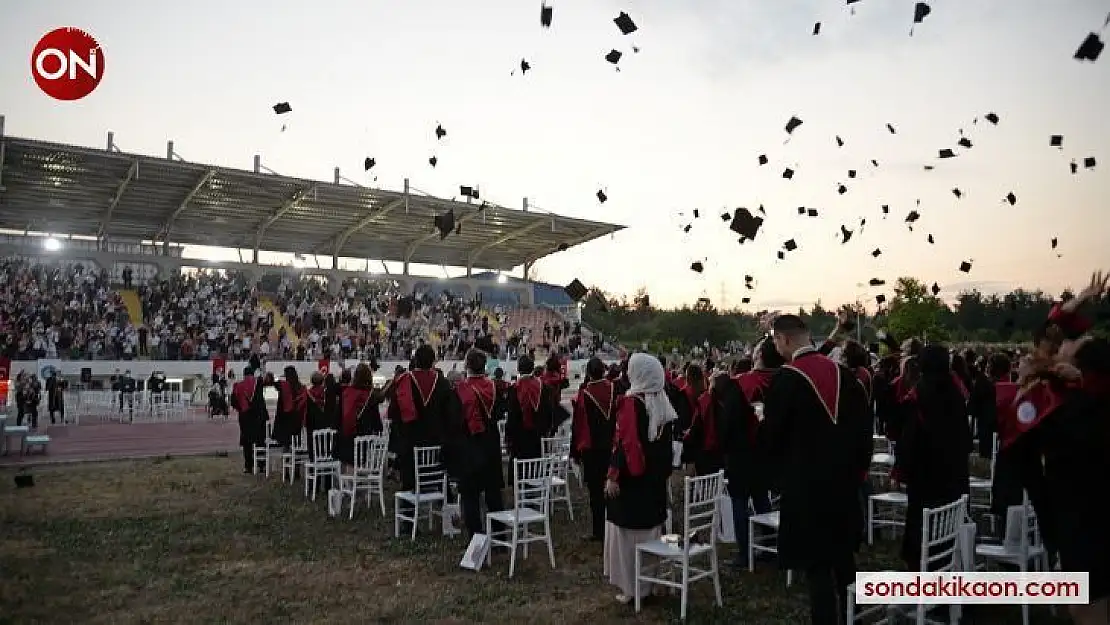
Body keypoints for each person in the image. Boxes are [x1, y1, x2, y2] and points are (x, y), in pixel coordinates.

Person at [761, 314, 873, 625]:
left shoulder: (786, 379)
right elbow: (865, 428)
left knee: (818, 570)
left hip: (806, 490)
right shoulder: (844, 375)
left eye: (774, 340)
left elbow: (773, 438)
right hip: (845, 485)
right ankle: (856, 617)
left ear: (783, 339)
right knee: (844, 560)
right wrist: (858, 472)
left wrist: (777, 478)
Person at [1006, 337, 1110, 625]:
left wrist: (1027, 389)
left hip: (1086, 529)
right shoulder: (1091, 405)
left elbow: (1017, 445)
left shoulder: (1074, 414)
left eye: (1068, 349)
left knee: (1089, 609)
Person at [603, 353, 677, 606]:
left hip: (633, 483)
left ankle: (632, 586)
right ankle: (652, 582)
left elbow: (627, 444)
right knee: (650, 532)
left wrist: (614, 475)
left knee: (628, 534)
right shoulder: (662, 402)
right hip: (654, 482)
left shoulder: (631, 403)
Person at [892, 344, 972, 567]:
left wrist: (900, 472)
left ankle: (924, 587)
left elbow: (908, 440)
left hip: (925, 478)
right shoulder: (955, 392)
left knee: (923, 534)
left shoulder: (919, 394)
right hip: (954, 474)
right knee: (949, 530)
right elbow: (966, 439)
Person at [444, 349, 505, 536]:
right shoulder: (495, 387)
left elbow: (454, 422)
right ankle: (499, 535)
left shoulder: (461, 390)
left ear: (466, 365)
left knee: (471, 495)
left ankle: (476, 537)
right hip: (492, 444)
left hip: (469, 446)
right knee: (493, 493)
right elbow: (499, 413)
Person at [387, 345, 451, 491]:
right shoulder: (442, 382)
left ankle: (409, 508)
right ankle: (444, 503)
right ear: (433, 361)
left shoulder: (405, 381)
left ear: (415, 360)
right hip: (437, 442)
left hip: (411, 442)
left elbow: (395, 413)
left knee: (409, 482)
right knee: (440, 476)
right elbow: (450, 414)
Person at [570, 357, 617, 542]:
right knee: (612, 488)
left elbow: (579, 425)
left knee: (596, 492)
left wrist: (575, 451)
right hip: (612, 446)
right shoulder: (614, 388)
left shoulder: (585, 394)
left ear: (589, 373)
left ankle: (599, 531)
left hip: (593, 449)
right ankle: (613, 525)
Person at [505, 354, 553, 460]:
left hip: (519, 441)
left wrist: (508, 440)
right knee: (536, 469)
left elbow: (511, 418)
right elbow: (549, 413)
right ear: (532, 368)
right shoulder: (544, 387)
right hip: (538, 438)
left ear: (518, 369)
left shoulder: (513, 389)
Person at [337, 364, 380, 466]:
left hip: (348, 438)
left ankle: (348, 479)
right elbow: (376, 422)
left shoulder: (346, 393)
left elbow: (339, 416)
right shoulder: (371, 395)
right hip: (366, 439)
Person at [233, 365, 266, 474]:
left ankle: (248, 466)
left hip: (245, 417)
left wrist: (241, 409)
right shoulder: (259, 383)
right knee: (260, 441)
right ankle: (261, 466)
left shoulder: (238, 385)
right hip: (259, 417)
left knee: (247, 442)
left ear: (244, 374)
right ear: (252, 374)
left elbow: (234, 402)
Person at [272, 366, 307, 448]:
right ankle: (297, 446)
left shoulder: (283, 385)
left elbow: (274, 382)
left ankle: (286, 447)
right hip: (297, 419)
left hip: (285, 419)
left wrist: (277, 377)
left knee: (284, 427)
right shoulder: (300, 386)